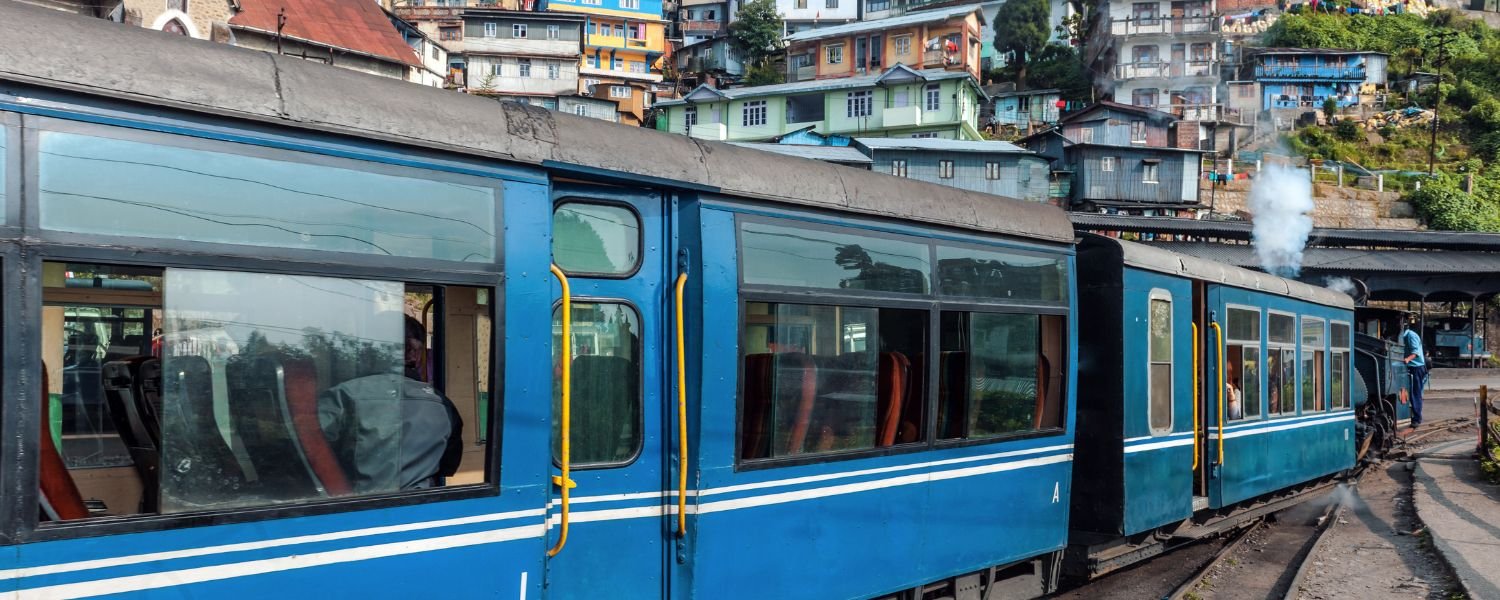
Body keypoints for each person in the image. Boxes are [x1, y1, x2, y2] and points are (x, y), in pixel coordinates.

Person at [319, 316, 464, 492]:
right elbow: (448, 466)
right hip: (421, 507)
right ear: (415, 355)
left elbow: (308, 457)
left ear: (369, 348)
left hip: (355, 509)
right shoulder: (442, 404)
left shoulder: (344, 395)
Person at [1400, 317, 1427, 428]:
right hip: (1411, 367)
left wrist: (1407, 359)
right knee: (1410, 393)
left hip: (1417, 367)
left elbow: (1415, 352)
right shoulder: (1404, 336)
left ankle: (1417, 418)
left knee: (1415, 393)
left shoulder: (1411, 336)